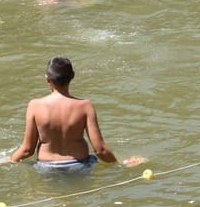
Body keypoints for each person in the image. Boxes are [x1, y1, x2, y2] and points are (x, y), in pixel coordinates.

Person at [7, 57, 145, 172]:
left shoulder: (35, 106)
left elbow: (27, 150)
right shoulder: (85, 106)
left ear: (47, 79)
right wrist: (122, 164)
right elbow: (100, 149)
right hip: (79, 166)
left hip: (45, 168)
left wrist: (9, 161)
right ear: (73, 75)